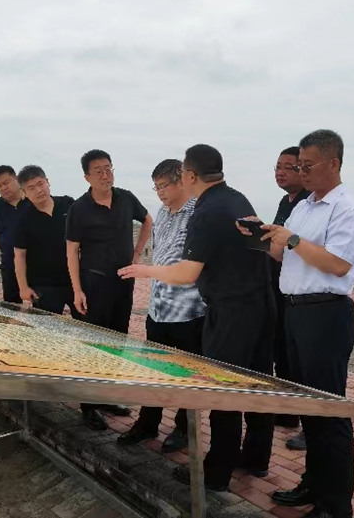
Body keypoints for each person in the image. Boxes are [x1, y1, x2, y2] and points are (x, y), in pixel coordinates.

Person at [119, 144, 275, 492]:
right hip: (260, 305)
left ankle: (216, 473)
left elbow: (187, 273)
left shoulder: (205, 211)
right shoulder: (238, 199)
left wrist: (144, 270)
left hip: (230, 311)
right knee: (256, 384)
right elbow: (264, 250)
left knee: (223, 393)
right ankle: (255, 457)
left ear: (189, 176)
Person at [244, 129, 354, 518]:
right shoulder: (304, 207)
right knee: (308, 407)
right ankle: (313, 483)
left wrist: (293, 239)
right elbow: (284, 254)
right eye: (300, 165)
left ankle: (335, 504)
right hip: (295, 311)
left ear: (334, 163)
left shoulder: (347, 209)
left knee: (329, 411)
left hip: (325, 315)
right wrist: (259, 236)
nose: (302, 172)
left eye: (308, 165)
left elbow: (337, 264)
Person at [116, 159, 206, 453]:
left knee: (188, 376)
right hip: (158, 309)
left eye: (164, 186)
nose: (160, 192)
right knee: (153, 371)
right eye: (156, 187)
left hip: (189, 311)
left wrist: (145, 271)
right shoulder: (162, 214)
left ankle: (184, 428)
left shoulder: (199, 214)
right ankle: (147, 424)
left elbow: (190, 267)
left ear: (181, 180)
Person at [66, 149, 153, 431]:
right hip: (94, 283)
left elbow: (148, 220)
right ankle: (88, 406)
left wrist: (137, 253)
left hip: (123, 282)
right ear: (87, 177)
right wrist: (77, 290)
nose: (106, 175)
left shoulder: (126, 198)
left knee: (117, 344)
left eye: (109, 168)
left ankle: (107, 397)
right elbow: (72, 251)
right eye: (99, 171)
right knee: (93, 346)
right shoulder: (79, 208)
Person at [272, 147, 311, 450]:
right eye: (277, 167)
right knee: (283, 355)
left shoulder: (308, 204)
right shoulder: (285, 203)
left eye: (289, 167)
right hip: (280, 291)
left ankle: (312, 427)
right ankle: (288, 412)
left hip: (303, 296)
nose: (280, 172)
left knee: (304, 364)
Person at [13, 165, 76, 314]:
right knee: (46, 326)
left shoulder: (68, 204)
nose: (38, 190)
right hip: (44, 286)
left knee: (87, 323)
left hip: (75, 280)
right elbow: (19, 255)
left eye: (40, 184)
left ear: (48, 182)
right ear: (24, 192)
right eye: (31, 188)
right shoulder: (23, 219)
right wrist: (23, 288)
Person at [0, 165, 31, 304]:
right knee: (11, 306)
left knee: (41, 308)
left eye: (6, 182)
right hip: (10, 266)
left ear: (16, 179)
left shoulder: (32, 200)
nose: (3, 188)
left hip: (36, 265)